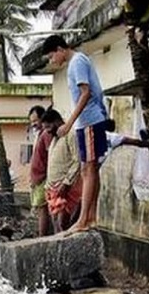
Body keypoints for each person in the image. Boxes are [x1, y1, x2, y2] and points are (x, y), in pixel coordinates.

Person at [42, 35, 108, 233]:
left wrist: (69, 123)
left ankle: (83, 220)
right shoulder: (79, 61)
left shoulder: (76, 62)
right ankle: (91, 217)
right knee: (91, 169)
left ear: (60, 49)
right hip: (91, 120)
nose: (52, 61)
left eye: (52, 56)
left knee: (87, 170)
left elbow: (86, 93)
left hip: (88, 121)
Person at [41, 109, 82, 233]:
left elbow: (77, 161)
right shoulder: (54, 139)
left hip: (66, 188)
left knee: (63, 223)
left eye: (49, 126)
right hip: (52, 188)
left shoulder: (71, 135)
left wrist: (66, 183)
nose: (47, 131)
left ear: (57, 121)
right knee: (55, 223)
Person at [28, 105, 52, 236]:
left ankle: (42, 237)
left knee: (43, 209)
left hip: (43, 178)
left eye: (35, 121)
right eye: (31, 121)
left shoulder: (46, 134)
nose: (33, 124)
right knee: (40, 209)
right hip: (37, 179)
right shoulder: (39, 135)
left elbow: (50, 155)